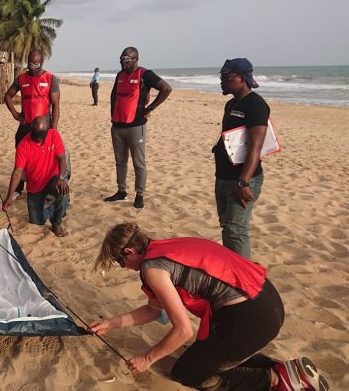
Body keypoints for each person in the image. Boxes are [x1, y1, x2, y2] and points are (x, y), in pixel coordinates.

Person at [90, 222, 329, 391]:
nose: (124, 267)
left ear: (129, 252)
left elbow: (183, 330)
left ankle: (275, 379)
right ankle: (291, 370)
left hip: (248, 317)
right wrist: (111, 323)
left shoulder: (151, 268)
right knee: (207, 355)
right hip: (268, 300)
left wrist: (147, 359)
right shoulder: (166, 246)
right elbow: (153, 309)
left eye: (121, 261)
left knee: (187, 372)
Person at [214, 58, 270, 259]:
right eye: (221, 77)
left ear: (242, 78)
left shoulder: (256, 105)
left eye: (227, 78)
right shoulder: (231, 104)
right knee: (227, 227)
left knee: (236, 231)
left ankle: (244, 277)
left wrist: (244, 181)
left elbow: (256, 146)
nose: (222, 81)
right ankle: (233, 267)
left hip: (243, 179)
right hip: (223, 176)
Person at [105, 47, 172, 209]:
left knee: (138, 163)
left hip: (136, 127)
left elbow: (166, 89)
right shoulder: (120, 75)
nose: (123, 63)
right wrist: (113, 113)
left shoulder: (145, 75)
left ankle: (139, 194)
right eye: (121, 60)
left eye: (126, 60)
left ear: (136, 59)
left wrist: (150, 108)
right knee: (120, 162)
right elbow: (114, 95)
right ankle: (121, 191)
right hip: (117, 126)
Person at [4, 49, 60, 200]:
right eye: (29, 63)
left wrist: (53, 129)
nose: (32, 67)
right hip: (26, 126)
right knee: (21, 159)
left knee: (46, 159)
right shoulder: (21, 78)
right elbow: (7, 96)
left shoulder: (51, 78)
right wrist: (15, 115)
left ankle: (47, 188)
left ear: (42, 62)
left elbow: (55, 105)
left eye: (35, 64)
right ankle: (18, 189)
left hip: (44, 128)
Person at [3, 116, 70, 237]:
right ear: (31, 130)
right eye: (35, 133)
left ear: (48, 130)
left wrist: (61, 178)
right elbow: (17, 172)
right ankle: (55, 208)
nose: (38, 137)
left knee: (63, 192)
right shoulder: (23, 145)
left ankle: (56, 222)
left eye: (41, 134)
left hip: (53, 178)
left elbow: (62, 158)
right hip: (35, 185)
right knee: (36, 221)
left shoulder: (54, 134)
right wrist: (9, 196)